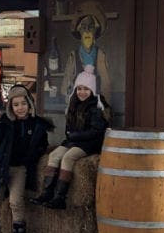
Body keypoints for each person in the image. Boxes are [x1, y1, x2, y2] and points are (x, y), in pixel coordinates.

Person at [0, 85, 53, 233]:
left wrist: (36, 155)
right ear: (11, 107)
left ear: (30, 104)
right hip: (2, 167)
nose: (20, 108)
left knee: (16, 201)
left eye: (23, 104)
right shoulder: (4, 125)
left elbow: (42, 145)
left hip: (20, 169)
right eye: (16, 105)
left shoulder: (37, 125)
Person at [33, 70, 110, 210]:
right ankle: (47, 192)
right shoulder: (73, 105)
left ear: (92, 90)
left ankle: (60, 197)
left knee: (68, 157)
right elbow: (69, 128)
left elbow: (96, 131)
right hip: (73, 141)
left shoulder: (96, 108)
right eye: (79, 89)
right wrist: (71, 135)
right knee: (54, 155)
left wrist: (75, 136)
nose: (82, 92)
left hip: (90, 143)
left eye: (86, 89)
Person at [61, 4, 111, 101]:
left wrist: (103, 107)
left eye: (91, 27)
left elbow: (106, 85)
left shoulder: (101, 55)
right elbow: (65, 86)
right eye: (83, 27)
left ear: (96, 30)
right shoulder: (73, 56)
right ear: (79, 31)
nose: (87, 31)